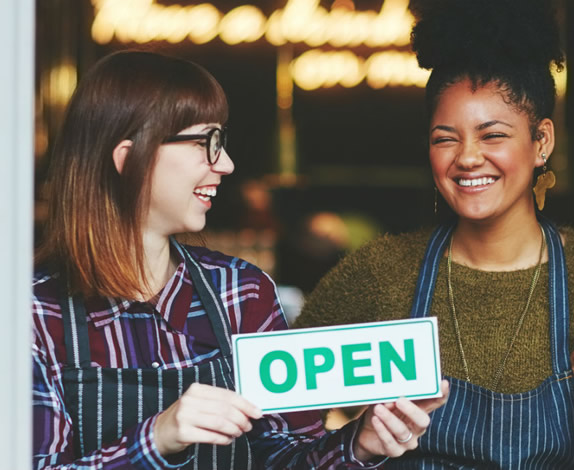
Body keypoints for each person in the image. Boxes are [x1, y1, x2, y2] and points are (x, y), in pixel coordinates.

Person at [31, 50, 448, 470]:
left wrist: (359, 443)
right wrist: (158, 437)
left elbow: (289, 456)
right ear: (128, 157)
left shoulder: (242, 292)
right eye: (205, 143)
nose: (226, 164)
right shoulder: (31, 313)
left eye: (222, 142)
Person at [295, 0, 574, 467]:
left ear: (542, 142)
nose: (467, 158)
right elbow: (275, 423)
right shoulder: (378, 273)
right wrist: (358, 437)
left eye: (492, 135)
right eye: (444, 138)